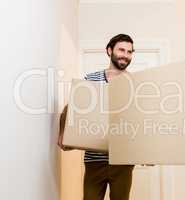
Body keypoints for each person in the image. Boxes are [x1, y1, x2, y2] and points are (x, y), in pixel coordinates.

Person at [58, 34, 135, 200]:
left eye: (129, 52)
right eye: (121, 50)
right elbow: (72, 108)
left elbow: (144, 120)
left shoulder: (136, 82)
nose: (125, 55)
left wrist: (148, 152)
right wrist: (63, 133)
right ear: (109, 50)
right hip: (94, 160)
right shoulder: (91, 79)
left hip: (123, 161)